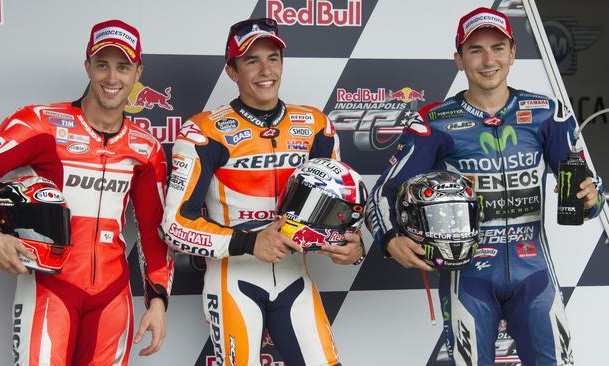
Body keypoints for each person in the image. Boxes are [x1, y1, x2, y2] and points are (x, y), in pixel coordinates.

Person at [365, 7, 604, 366]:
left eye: (497, 47)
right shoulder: (433, 122)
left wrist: (591, 198)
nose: (488, 59)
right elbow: (383, 193)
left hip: (535, 274)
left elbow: (588, 190)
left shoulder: (546, 113)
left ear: (512, 53)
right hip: (468, 278)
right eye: (475, 50)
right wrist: (389, 239)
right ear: (459, 59)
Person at [0, 20, 174, 365]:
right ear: (87, 65)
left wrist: (158, 301)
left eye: (123, 67)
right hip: (50, 289)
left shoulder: (146, 148)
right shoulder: (41, 123)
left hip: (112, 297)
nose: (111, 78)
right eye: (102, 65)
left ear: (138, 73)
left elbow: (153, 231)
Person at [161, 17, 364, 366]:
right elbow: (174, 225)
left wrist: (352, 245)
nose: (265, 69)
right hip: (233, 280)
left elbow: (340, 212)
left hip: (294, 278)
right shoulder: (204, 131)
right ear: (232, 71)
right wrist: (250, 242)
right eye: (251, 60)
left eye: (273, 58)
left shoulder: (316, 125)